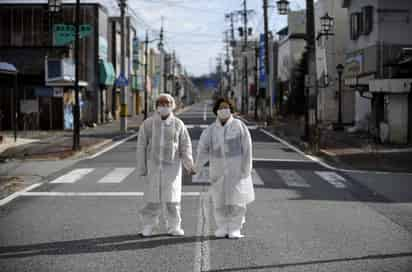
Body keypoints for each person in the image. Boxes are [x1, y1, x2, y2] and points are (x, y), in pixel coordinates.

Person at [136, 93, 195, 237]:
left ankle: (174, 226)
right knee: (151, 199)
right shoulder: (148, 124)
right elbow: (141, 146)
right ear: (156, 106)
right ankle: (149, 226)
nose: (164, 106)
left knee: (172, 200)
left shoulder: (178, 124)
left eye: (167, 103)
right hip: (154, 166)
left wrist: (189, 165)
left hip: (172, 168)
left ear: (172, 105)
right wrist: (142, 167)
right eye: (161, 103)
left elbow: (185, 146)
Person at [195, 98, 255, 239]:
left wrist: (246, 168)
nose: (224, 110)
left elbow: (247, 148)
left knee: (237, 201)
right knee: (219, 200)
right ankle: (222, 226)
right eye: (221, 107)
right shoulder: (210, 130)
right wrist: (196, 167)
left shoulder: (239, 126)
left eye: (226, 107)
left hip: (237, 170)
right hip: (218, 170)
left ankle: (235, 228)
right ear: (216, 110)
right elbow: (203, 150)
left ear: (231, 109)